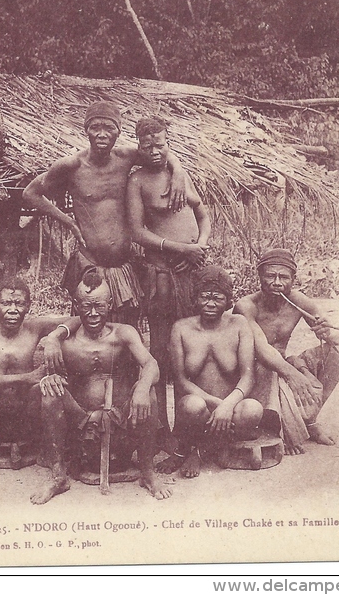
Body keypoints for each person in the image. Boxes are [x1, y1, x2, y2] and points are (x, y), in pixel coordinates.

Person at [22, 101, 187, 327]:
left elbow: (159, 152)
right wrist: (68, 221)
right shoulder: (71, 165)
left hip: (125, 266)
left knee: (127, 333)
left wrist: (178, 172)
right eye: (95, 127)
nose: (102, 134)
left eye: (109, 128)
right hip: (91, 262)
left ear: (118, 131)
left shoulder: (127, 157)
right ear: (86, 130)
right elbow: (30, 193)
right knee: (89, 329)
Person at [30, 269, 172, 504]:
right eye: (86, 307)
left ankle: (148, 473)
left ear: (110, 303)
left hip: (122, 420)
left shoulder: (124, 334)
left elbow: (151, 364)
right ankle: (58, 477)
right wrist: (51, 354)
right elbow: (42, 375)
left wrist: (141, 387)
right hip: (82, 424)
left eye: (99, 306)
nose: (94, 313)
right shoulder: (66, 341)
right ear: (76, 306)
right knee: (51, 393)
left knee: (149, 390)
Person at [126, 116, 211, 439]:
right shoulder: (137, 182)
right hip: (163, 274)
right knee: (162, 351)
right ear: (138, 146)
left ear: (168, 142)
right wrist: (178, 248)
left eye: (160, 144)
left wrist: (200, 244)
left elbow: (203, 213)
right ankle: (162, 431)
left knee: (193, 349)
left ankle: (193, 428)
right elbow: (136, 231)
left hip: (193, 271)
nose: (154, 151)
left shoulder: (180, 174)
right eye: (147, 146)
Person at [0, 278, 75, 478]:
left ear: (28, 307)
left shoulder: (34, 327)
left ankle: (50, 456)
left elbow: (76, 319)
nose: (13, 309)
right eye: (6, 303)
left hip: (25, 414)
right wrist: (26, 378)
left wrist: (54, 337)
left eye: (19, 303)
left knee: (48, 388)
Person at [233, 248, 339, 455]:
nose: (277, 282)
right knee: (268, 364)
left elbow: (338, 340)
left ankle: (309, 421)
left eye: (283, 277)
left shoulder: (299, 301)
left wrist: (327, 331)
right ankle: (283, 430)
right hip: (256, 369)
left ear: (293, 279)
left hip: (282, 364)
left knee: (337, 355)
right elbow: (261, 350)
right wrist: (294, 374)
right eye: (270, 276)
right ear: (259, 276)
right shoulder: (246, 306)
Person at [156, 265, 262, 478]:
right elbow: (180, 380)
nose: (210, 304)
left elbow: (248, 376)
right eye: (205, 297)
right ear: (195, 298)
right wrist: (218, 405)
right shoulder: (181, 328)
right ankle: (207, 447)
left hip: (231, 409)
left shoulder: (239, 324)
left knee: (253, 409)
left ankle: (201, 451)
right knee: (191, 405)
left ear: (228, 300)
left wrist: (228, 405)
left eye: (218, 298)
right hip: (200, 409)